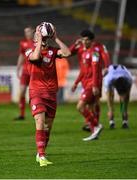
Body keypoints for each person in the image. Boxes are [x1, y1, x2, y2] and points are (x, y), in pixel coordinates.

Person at [25, 23, 71, 167]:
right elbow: (36, 57)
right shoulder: (29, 51)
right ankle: (43, 156)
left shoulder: (53, 51)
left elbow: (68, 53)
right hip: (36, 92)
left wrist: (56, 38)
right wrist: (38, 42)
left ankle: (40, 153)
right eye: (36, 37)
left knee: (47, 128)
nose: (38, 38)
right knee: (40, 122)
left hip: (51, 94)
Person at [70, 29, 110, 131]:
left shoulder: (96, 51)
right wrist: (76, 82)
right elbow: (69, 53)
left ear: (91, 41)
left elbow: (97, 68)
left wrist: (106, 67)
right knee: (90, 104)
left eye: (86, 39)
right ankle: (93, 125)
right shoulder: (83, 51)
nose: (83, 41)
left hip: (94, 81)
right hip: (86, 82)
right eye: (82, 39)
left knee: (89, 104)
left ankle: (95, 124)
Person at [104, 64, 133, 129]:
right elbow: (109, 97)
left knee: (124, 101)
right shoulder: (108, 80)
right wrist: (110, 109)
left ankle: (125, 121)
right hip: (110, 73)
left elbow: (127, 96)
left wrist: (125, 110)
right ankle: (111, 122)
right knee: (110, 99)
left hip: (123, 75)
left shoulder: (129, 80)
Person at [14, 26, 34, 120]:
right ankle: (22, 114)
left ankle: (36, 112)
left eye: (28, 31)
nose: (27, 33)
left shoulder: (37, 43)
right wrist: (18, 68)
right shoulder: (23, 43)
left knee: (33, 93)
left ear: (32, 32)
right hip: (25, 71)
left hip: (34, 71)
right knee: (22, 92)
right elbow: (21, 55)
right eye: (25, 32)